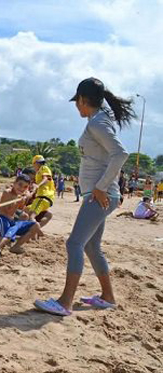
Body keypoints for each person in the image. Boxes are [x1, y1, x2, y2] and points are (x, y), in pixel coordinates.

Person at [34, 77, 132, 316]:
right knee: (90, 246)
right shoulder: (98, 120)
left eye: (77, 101)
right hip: (100, 193)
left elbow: (120, 154)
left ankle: (65, 302)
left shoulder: (98, 123)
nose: (77, 106)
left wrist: (100, 187)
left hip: (100, 195)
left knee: (74, 243)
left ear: (82, 99)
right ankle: (108, 296)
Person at [0, 174, 41, 255]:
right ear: (14, 183)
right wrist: (18, 201)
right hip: (2, 219)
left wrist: (28, 196)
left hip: (12, 222)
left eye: (25, 187)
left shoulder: (21, 195)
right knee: (6, 237)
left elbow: (20, 209)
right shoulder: (7, 192)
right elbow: (8, 211)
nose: (21, 188)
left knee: (36, 225)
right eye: (20, 184)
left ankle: (16, 246)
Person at [25, 155, 55, 227]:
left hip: (43, 196)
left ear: (36, 163)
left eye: (33, 165)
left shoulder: (43, 168)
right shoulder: (38, 174)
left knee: (31, 217)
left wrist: (38, 185)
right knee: (27, 210)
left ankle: (35, 231)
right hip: (45, 198)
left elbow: (46, 179)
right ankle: (30, 231)